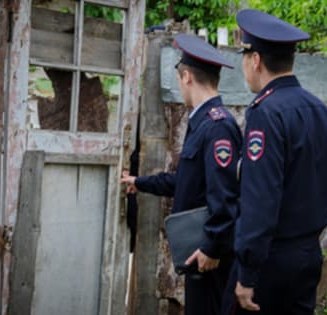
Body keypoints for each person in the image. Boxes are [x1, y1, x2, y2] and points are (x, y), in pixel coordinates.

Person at [221, 9, 327, 315]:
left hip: (269, 262)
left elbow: (260, 200)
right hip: (308, 254)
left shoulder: (266, 113)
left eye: (244, 56)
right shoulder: (321, 111)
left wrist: (247, 273)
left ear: (256, 60)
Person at [121, 34, 242, 315]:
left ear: (186, 76)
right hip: (199, 253)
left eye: (178, 78)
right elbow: (187, 183)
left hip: (209, 256)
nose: (179, 83)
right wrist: (139, 182)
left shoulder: (217, 126)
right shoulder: (202, 121)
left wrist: (212, 247)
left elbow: (225, 195)